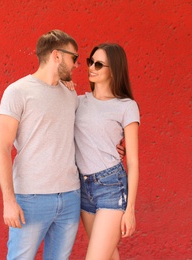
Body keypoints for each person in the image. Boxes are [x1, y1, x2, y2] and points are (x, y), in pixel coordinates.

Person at [0, 29, 81, 259]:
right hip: (31, 199)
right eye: (74, 58)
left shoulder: (70, 94)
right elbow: (2, 148)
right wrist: (9, 201)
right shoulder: (17, 92)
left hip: (70, 196)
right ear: (57, 55)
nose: (76, 65)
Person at [74, 43, 140, 260]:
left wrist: (130, 210)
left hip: (111, 186)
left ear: (114, 69)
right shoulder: (78, 101)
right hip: (83, 187)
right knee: (108, 254)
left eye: (99, 64)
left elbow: (133, 162)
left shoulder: (126, 106)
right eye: (90, 61)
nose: (92, 67)